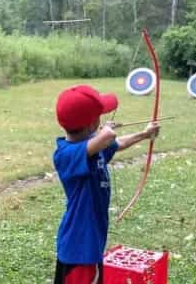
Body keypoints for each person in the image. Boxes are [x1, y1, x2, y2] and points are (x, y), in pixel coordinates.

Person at [53, 84, 160, 284]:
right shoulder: (66, 154)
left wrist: (145, 134)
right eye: (99, 116)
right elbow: (106, 139)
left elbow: (117, 143)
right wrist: (104, 133)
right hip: (80, 250)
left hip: (88, 247)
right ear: (92, 125)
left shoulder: (94, 147)